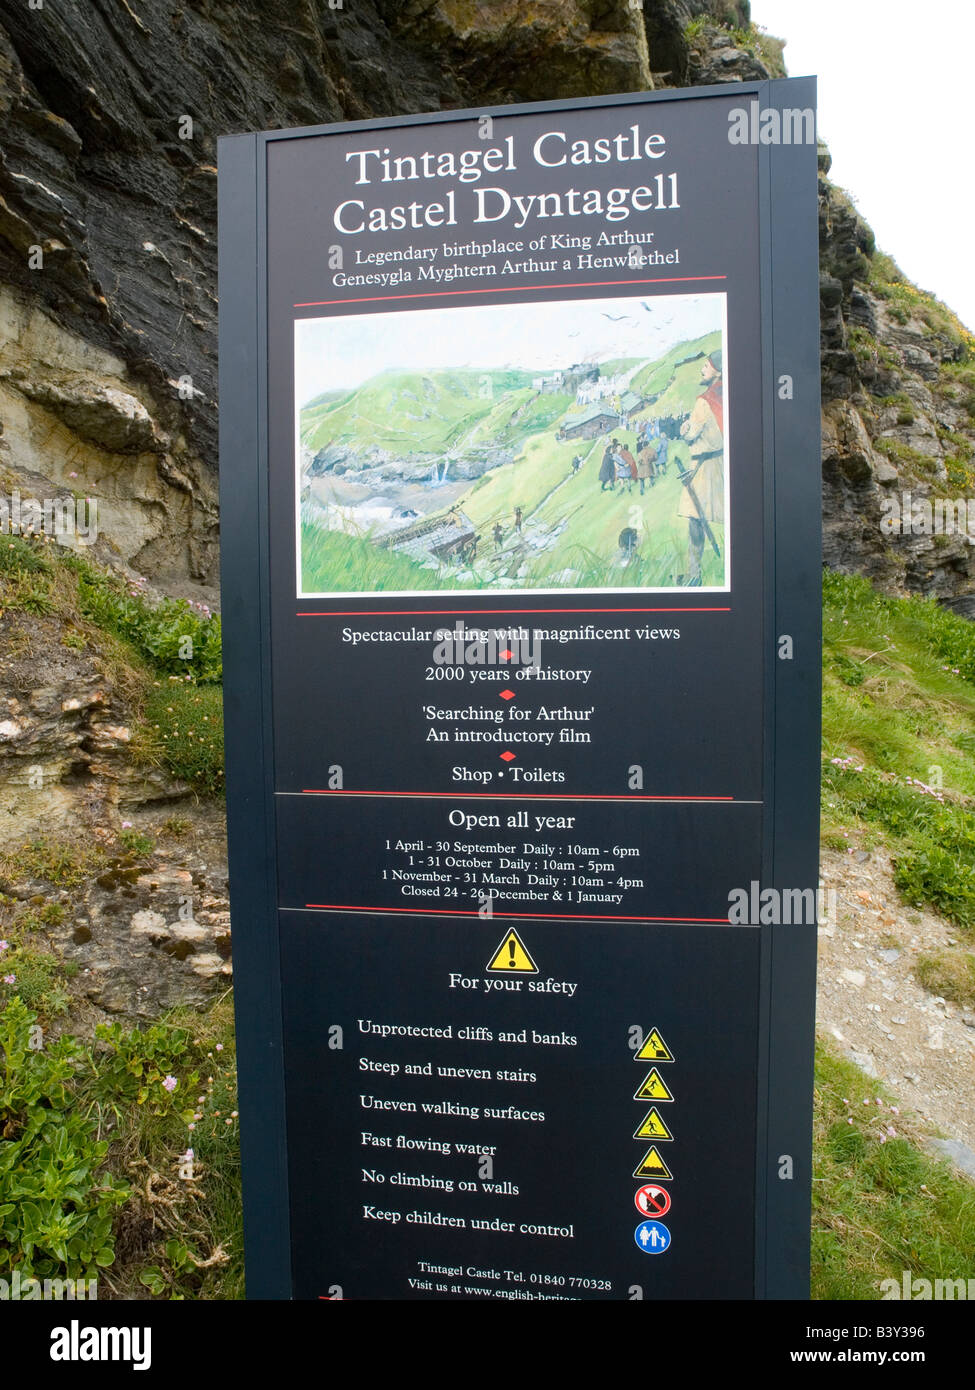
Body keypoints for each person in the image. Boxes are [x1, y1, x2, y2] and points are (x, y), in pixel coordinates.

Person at [678, 350, 724, 585]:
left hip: (702, 467)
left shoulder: (703, 401)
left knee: (696, 520)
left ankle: (693, 575)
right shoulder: (724, 396)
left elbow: (690, 435)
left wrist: (684, 428)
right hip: (719, 463)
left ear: (717, 371)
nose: (702, 369)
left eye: (706, 366)